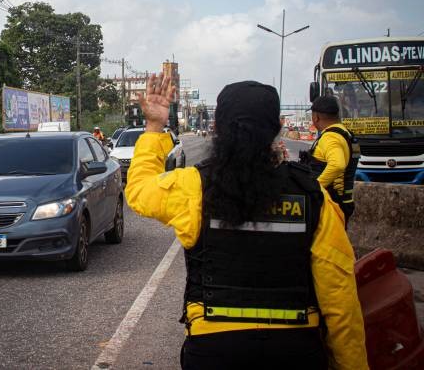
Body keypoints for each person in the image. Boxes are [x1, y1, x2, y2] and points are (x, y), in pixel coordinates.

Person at [125, 73, 367, 370]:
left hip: (213, 350)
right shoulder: (314, 197)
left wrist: (153, 128)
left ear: (216, 129)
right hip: (295, 350)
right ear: (277, 129)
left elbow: (138, 192)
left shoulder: (193, 186)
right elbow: (341, 302)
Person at [304, 95, 359, 226]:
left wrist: (315, 187)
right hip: (343, 201)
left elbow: (338, 165)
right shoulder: (347, 134)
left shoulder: (330, 137)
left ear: (315, 117)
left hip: (331, 203)